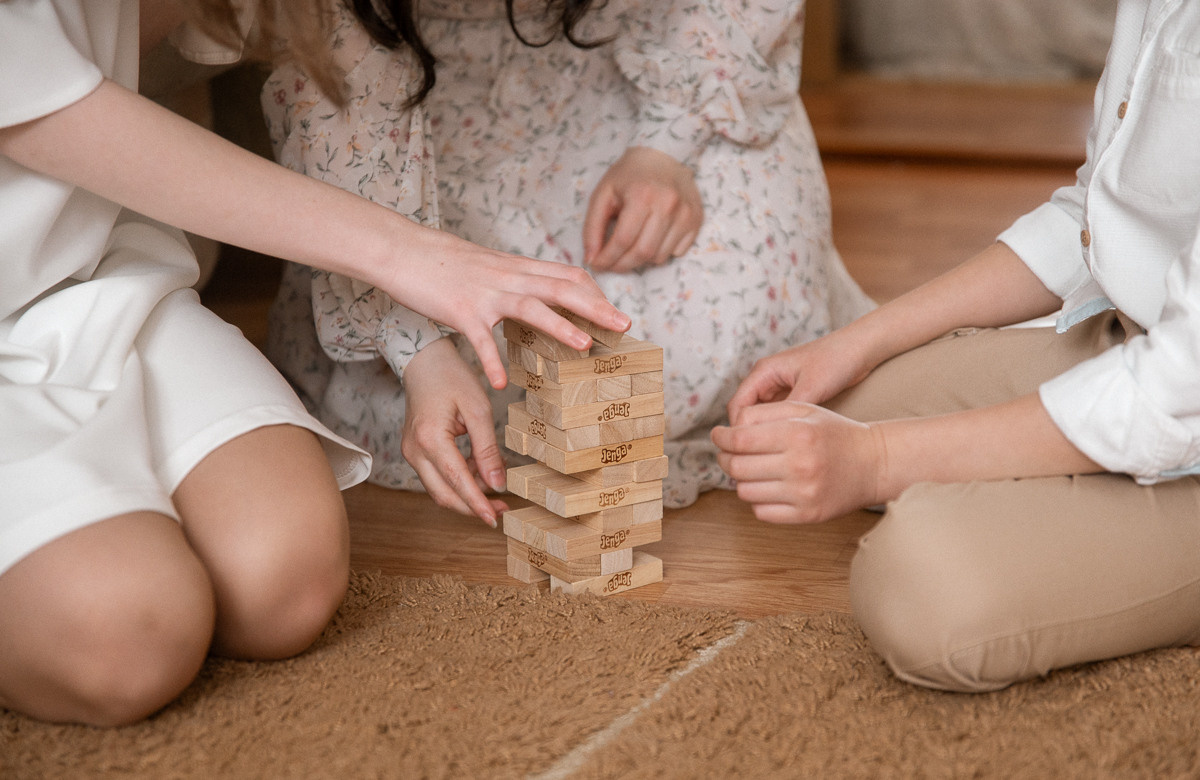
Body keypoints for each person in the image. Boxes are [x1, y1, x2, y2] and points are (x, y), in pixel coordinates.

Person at [0, 0, 628, 727]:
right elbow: (47, 110)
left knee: (282, 590)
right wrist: (419, 259)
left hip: (86, 278)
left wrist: (421, 348)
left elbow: (350, 75)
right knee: (129, 641)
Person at [714, 0, 1200, 692]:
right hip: (1138, 344)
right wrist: (856, 341)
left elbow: (1173, 391)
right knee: (840, 403)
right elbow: (1094, 214)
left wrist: (877, 462)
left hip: (1180, 387)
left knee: (919, 584)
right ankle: (1088, 495)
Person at [263, 0, 876, 512]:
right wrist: (414, 346)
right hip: (411, 93)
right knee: (485, 390)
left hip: (644, 41)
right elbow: (334, 61)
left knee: (739, 322)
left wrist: (667, 144)